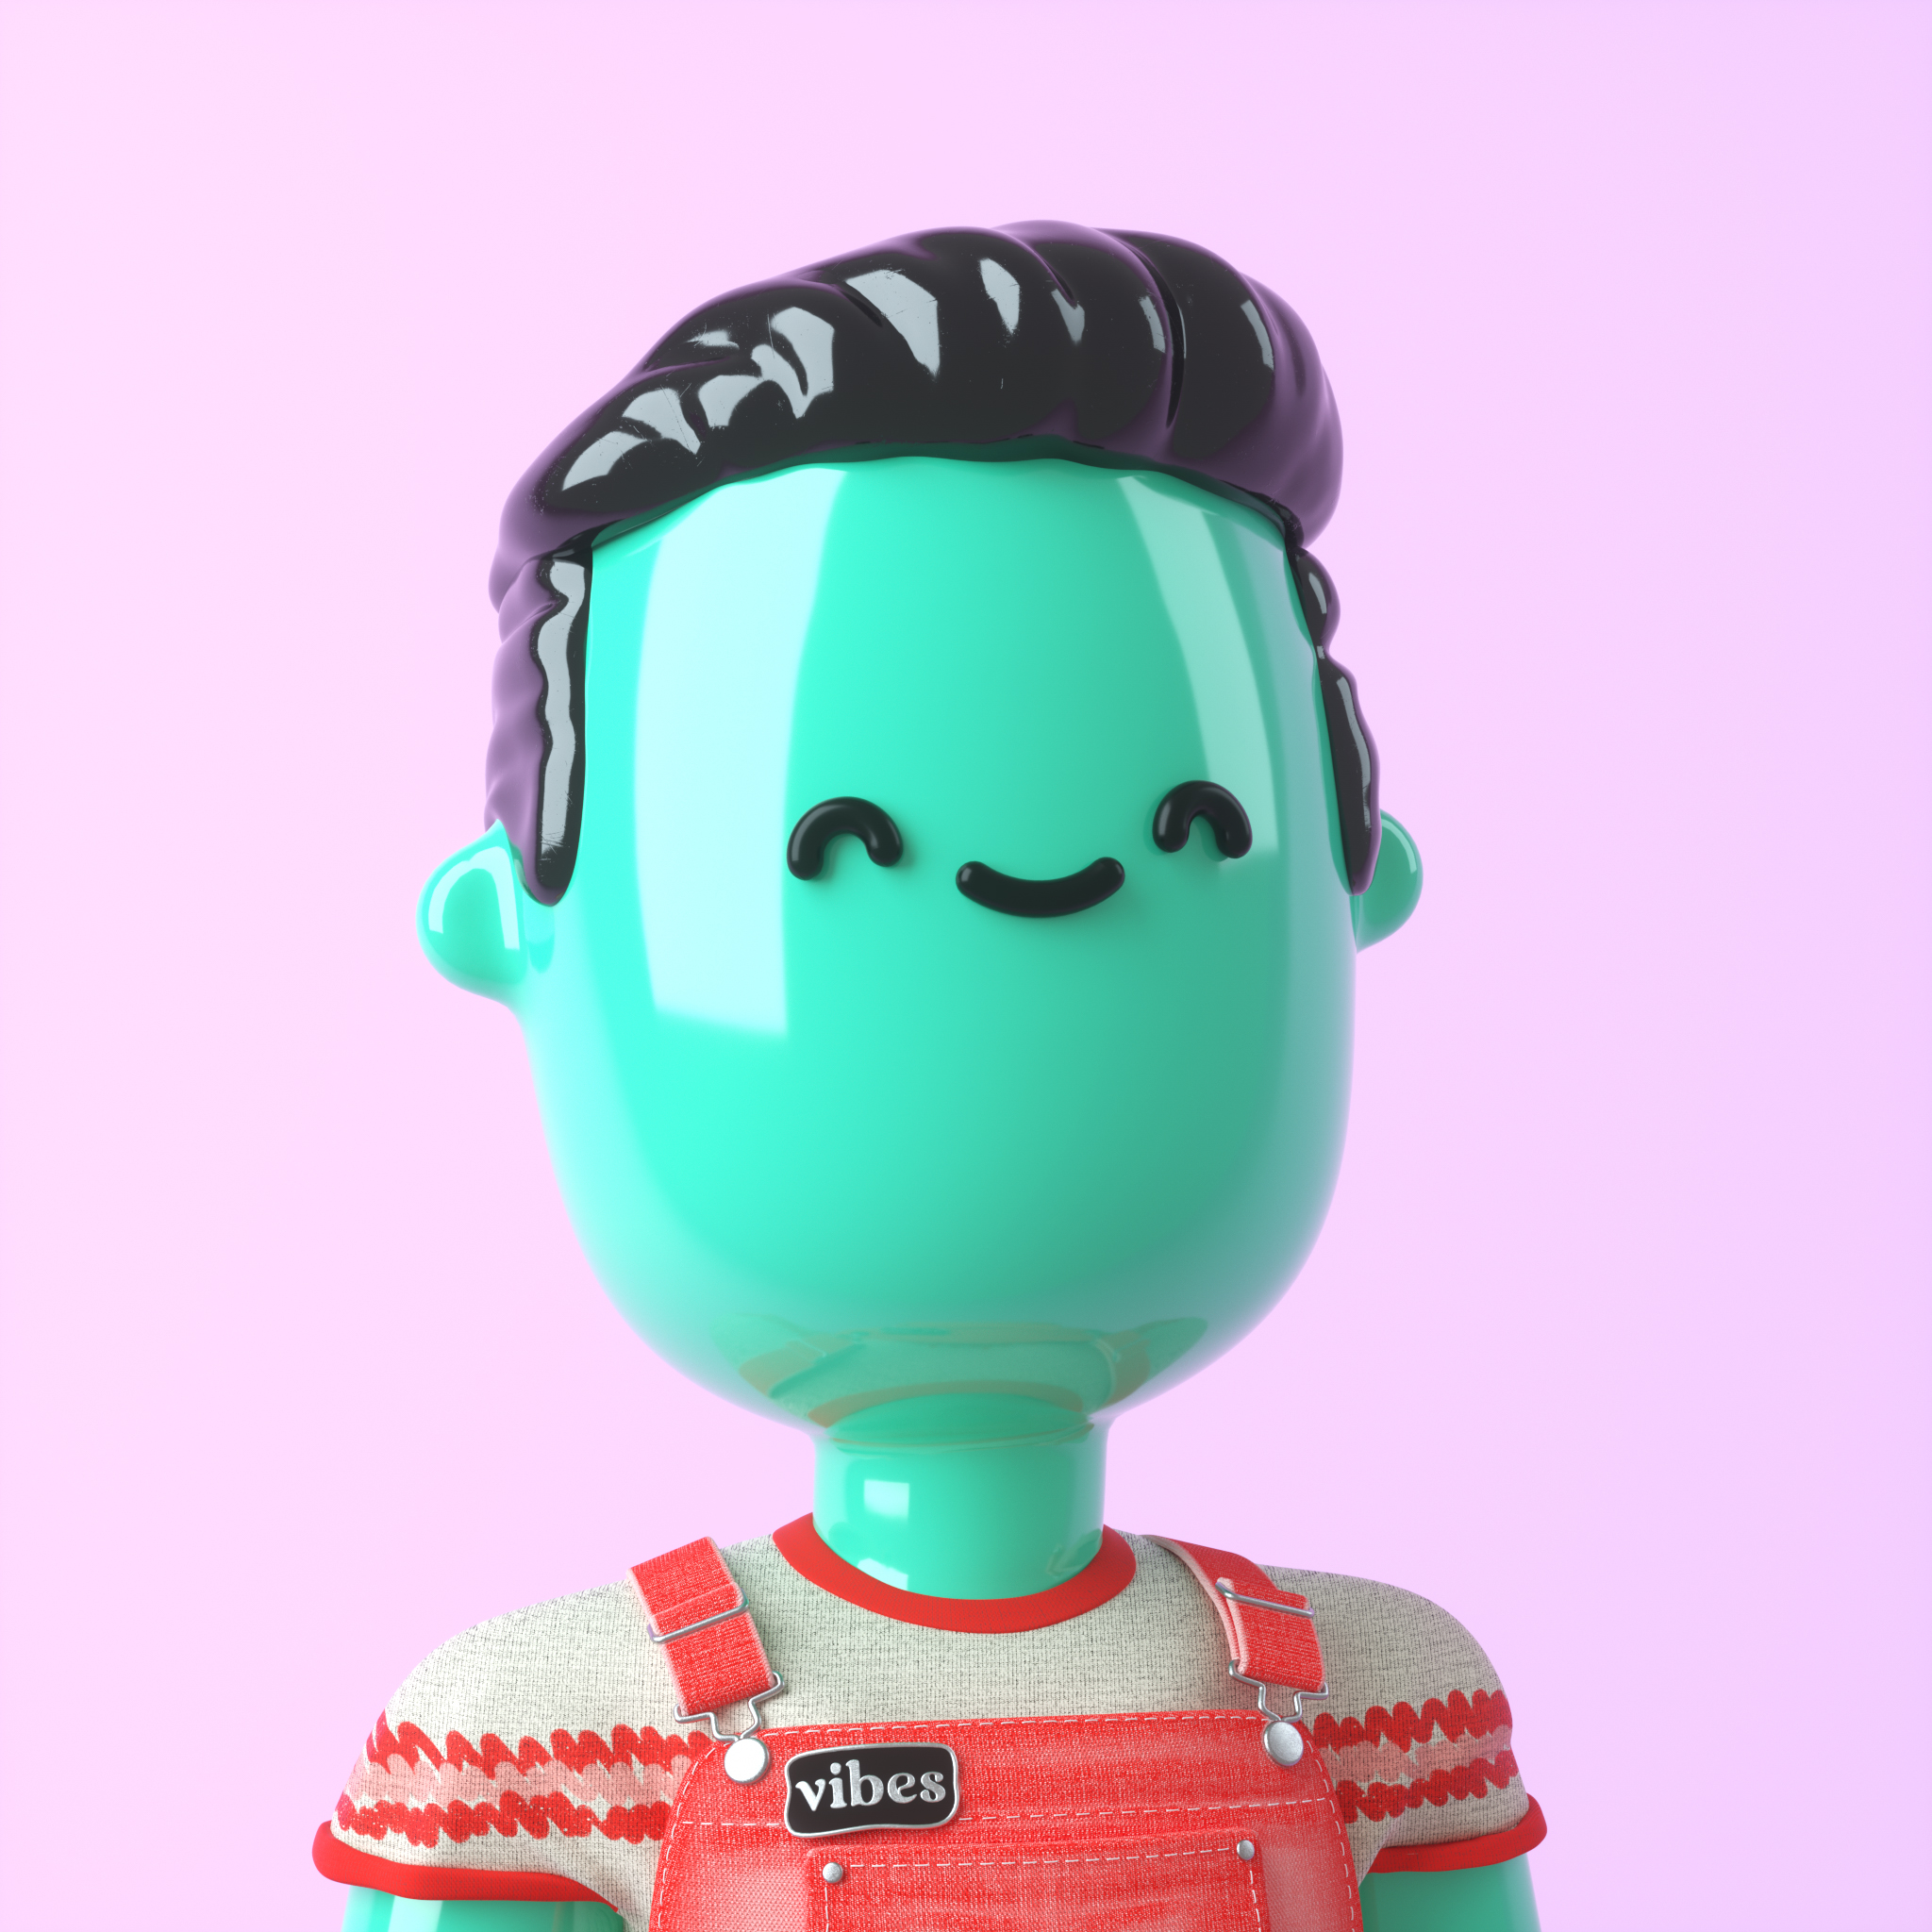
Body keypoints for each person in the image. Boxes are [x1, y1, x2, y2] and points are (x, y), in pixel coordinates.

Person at [315, 223, 1543, 1931]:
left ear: (1353, 892)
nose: (1030, 890)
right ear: (518, 933)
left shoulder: (1380, 1704)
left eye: (1192, 831)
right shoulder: (542, 1731)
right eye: (841, 844)